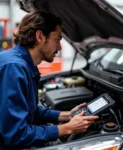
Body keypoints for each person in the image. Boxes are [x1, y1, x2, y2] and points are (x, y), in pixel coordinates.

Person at [0, 10, 99, 149]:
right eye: (57, 39)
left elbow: (30, 109)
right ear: (40, 36)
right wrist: (67, 129)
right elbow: (16, 135)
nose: (59, 47)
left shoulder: (22, 64)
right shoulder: (14, 69)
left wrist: (66, 115)